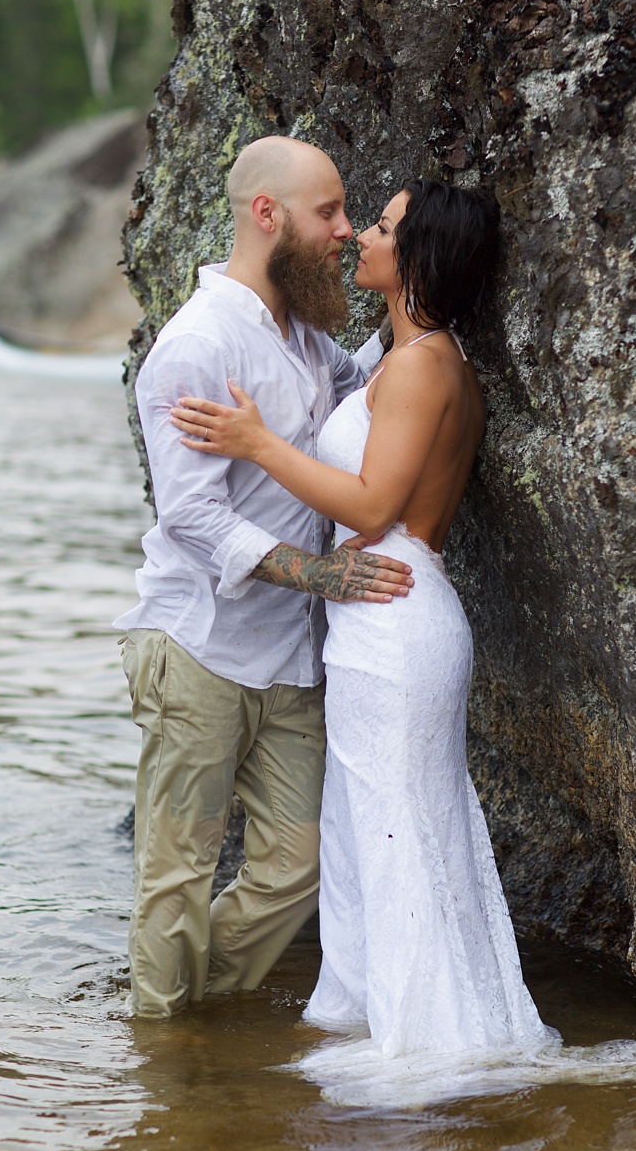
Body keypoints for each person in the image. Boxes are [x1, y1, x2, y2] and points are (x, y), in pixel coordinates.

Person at [171, 178, 550, 1057]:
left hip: (393, 612)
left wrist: (256, 443)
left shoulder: (423, 366)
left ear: (417, 259)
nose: (362, 238)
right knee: (367, 830)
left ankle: (426, 1046)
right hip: (383, 615)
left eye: (380, 227)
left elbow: (374, 503)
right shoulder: (405, 358)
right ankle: (372, 1017)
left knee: (399, 833)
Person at [114, 136, 415, 1020]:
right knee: (177, 875)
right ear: (266, 214)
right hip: (195, 646)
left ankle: (182, 1022)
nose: (346, 231)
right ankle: (166, 1064)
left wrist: (415, 297)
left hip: (287, 660)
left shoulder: (306, 332)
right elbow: (193, 519)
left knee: (295, 869)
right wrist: (326, 577)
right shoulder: (195, 347)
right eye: (329, 212)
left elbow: (364, 389)